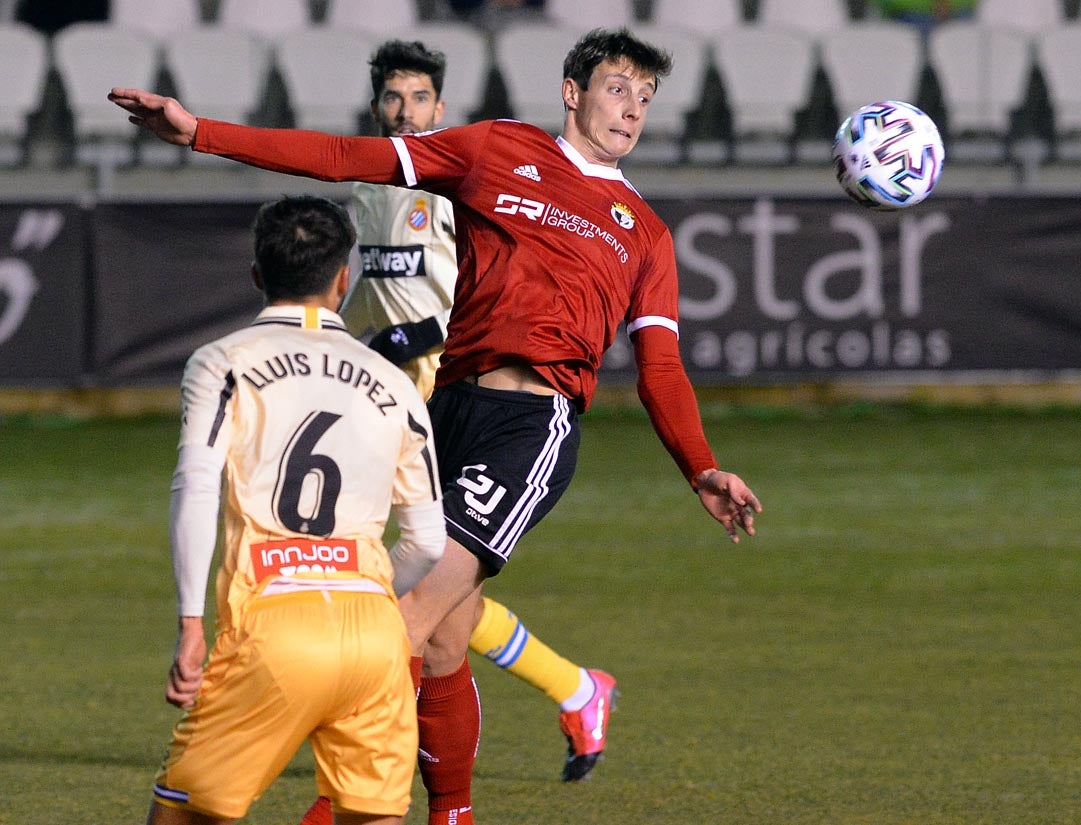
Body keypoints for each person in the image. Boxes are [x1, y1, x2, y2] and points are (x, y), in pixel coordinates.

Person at [110, 27, 763, 825]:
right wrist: (200, 133)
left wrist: (700, 465)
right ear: (573, 90)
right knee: (446, 640)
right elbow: (347, 158)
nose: (632, 109)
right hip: (443, 408)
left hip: (531, 423)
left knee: (396, 627)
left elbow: (660, 365)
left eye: (645, 98)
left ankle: (343, 806)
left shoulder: (644, 231)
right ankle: (452, 812)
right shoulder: (496, 150)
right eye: (618, 88)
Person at [340, 38, 620, 788]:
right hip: (395, 408)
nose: (406, 112)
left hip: (452, 395)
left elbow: (460, 303)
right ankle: (574, 687)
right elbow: (366, 295)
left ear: (441, 106)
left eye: (420, 99)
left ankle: (360, 781)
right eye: (393, 99)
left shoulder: (449, 183)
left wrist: (395, 341)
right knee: (441, 593)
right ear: (376, 106)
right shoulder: (370, 193)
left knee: (419, 591)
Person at [148, 194, 446, 825]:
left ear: (257, 275)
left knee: (183, 812)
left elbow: (196, 483)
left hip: (272, 624)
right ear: (346, 276)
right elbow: (426, 541)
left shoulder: (222, 362)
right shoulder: (395, 383)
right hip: (374, 634)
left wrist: (190, 622)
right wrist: (365, 593)